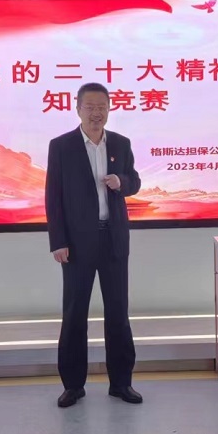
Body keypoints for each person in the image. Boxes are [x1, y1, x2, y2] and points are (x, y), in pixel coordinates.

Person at [46, 82, 142, 408]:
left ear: (109, 109)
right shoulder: (62, 146)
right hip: (76, 245)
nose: (96, 113)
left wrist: (121, 182)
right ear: (78, 109)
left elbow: (134, 182)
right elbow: (53, 197)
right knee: (75, 314)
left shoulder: (121, 144)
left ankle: (122, 383)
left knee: (118, 314)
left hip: (113, 240)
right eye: (90, 107)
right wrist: (58, 241)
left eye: (102, 107)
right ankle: (73, 386)